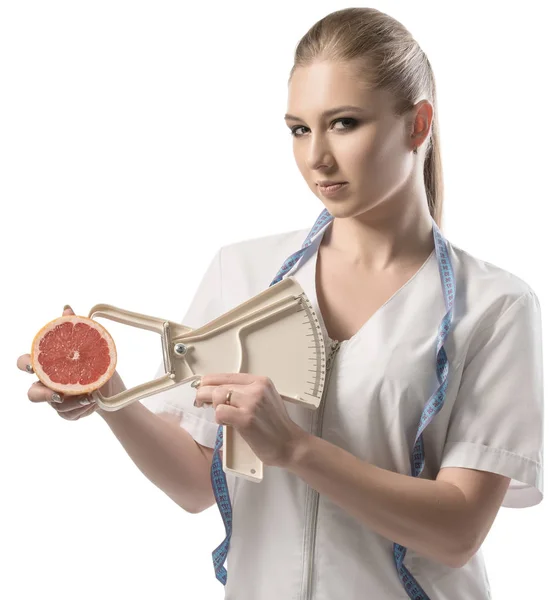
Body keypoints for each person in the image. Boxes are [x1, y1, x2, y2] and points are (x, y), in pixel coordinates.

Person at [17, 7, 544, 600]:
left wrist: (295, 449)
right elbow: (195, 482)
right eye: (299, 128)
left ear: (417, 125)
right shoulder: (240, 272)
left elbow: (457, 531)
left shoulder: (495, 307)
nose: (317, 156)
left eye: (344, 123)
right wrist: (111, 394)